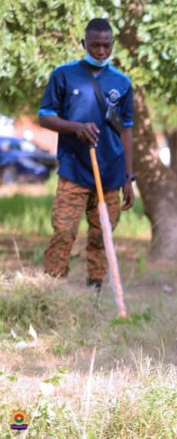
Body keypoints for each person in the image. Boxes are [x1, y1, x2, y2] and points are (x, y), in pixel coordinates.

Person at [38, 18, 135, 291]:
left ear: (113, 45)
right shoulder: (64, 75)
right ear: (84, 44)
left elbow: (127, 131)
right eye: (95, 45)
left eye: (106, 46)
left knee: (101, 235)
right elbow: (45, 116)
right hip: (74, 170)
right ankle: (52, 289)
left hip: (111, 174)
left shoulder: (122, 82)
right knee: (64, 231)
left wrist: (129, 177)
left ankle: (95, 291)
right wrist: (75, 128)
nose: (101, 51)